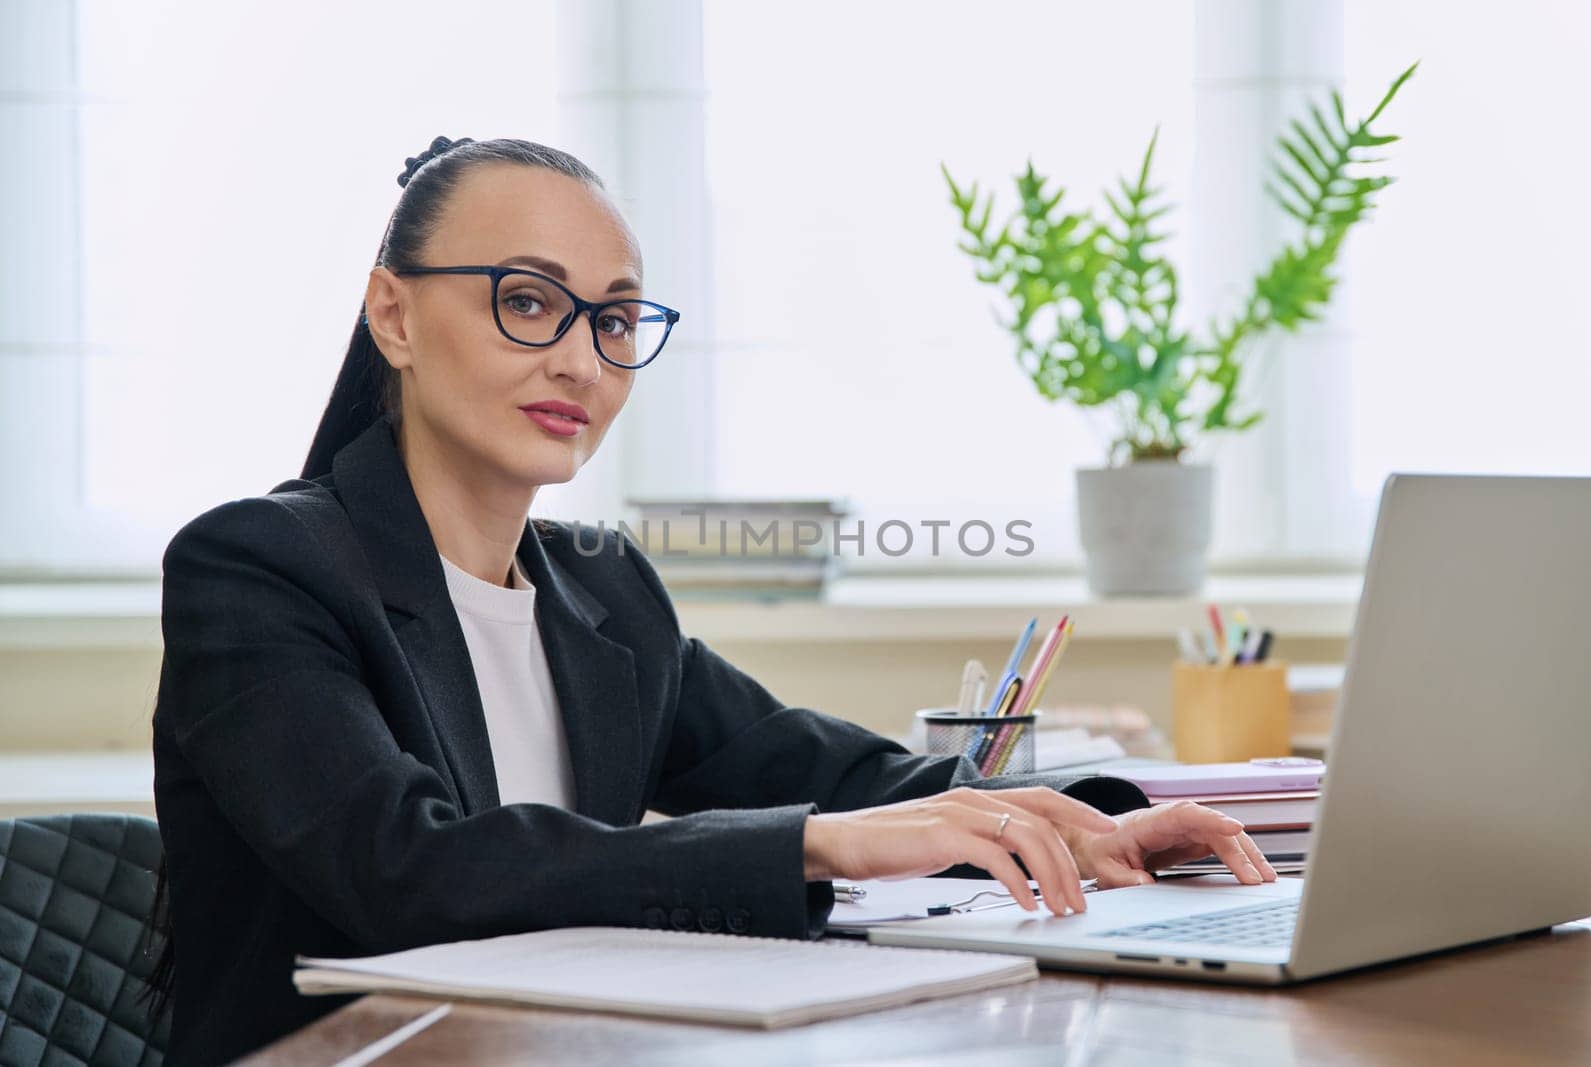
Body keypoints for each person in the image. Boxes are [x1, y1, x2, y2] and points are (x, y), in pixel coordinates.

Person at [143, 135, 1276, 1065]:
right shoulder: (255, 568)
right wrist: (823, 846)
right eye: (527, 302)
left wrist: (1080, 812)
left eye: (617, 319)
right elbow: (410, 869)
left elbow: (818, 768)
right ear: (393, 316)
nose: (582, 361)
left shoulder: (604, 586)